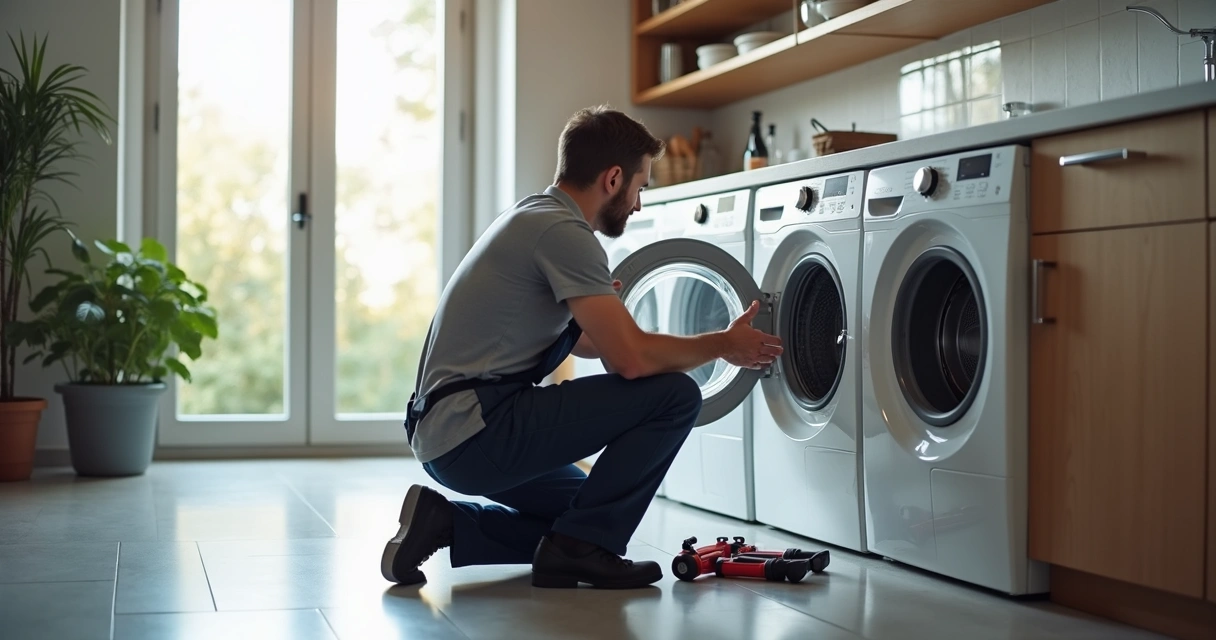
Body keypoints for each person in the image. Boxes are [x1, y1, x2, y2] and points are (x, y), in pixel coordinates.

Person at [381, 106, 783, 590]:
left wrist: (598, 317)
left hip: (448, 432)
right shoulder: (564, 234)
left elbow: (591, 343)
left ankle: (446, 522)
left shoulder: (536, 216)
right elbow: (629, 361)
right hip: (475, 430)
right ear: (613, 178)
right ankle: (578, 551)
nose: (637, 205)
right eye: (640, 187)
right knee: (675, 396)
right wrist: (723, 344)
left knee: (583, 511)